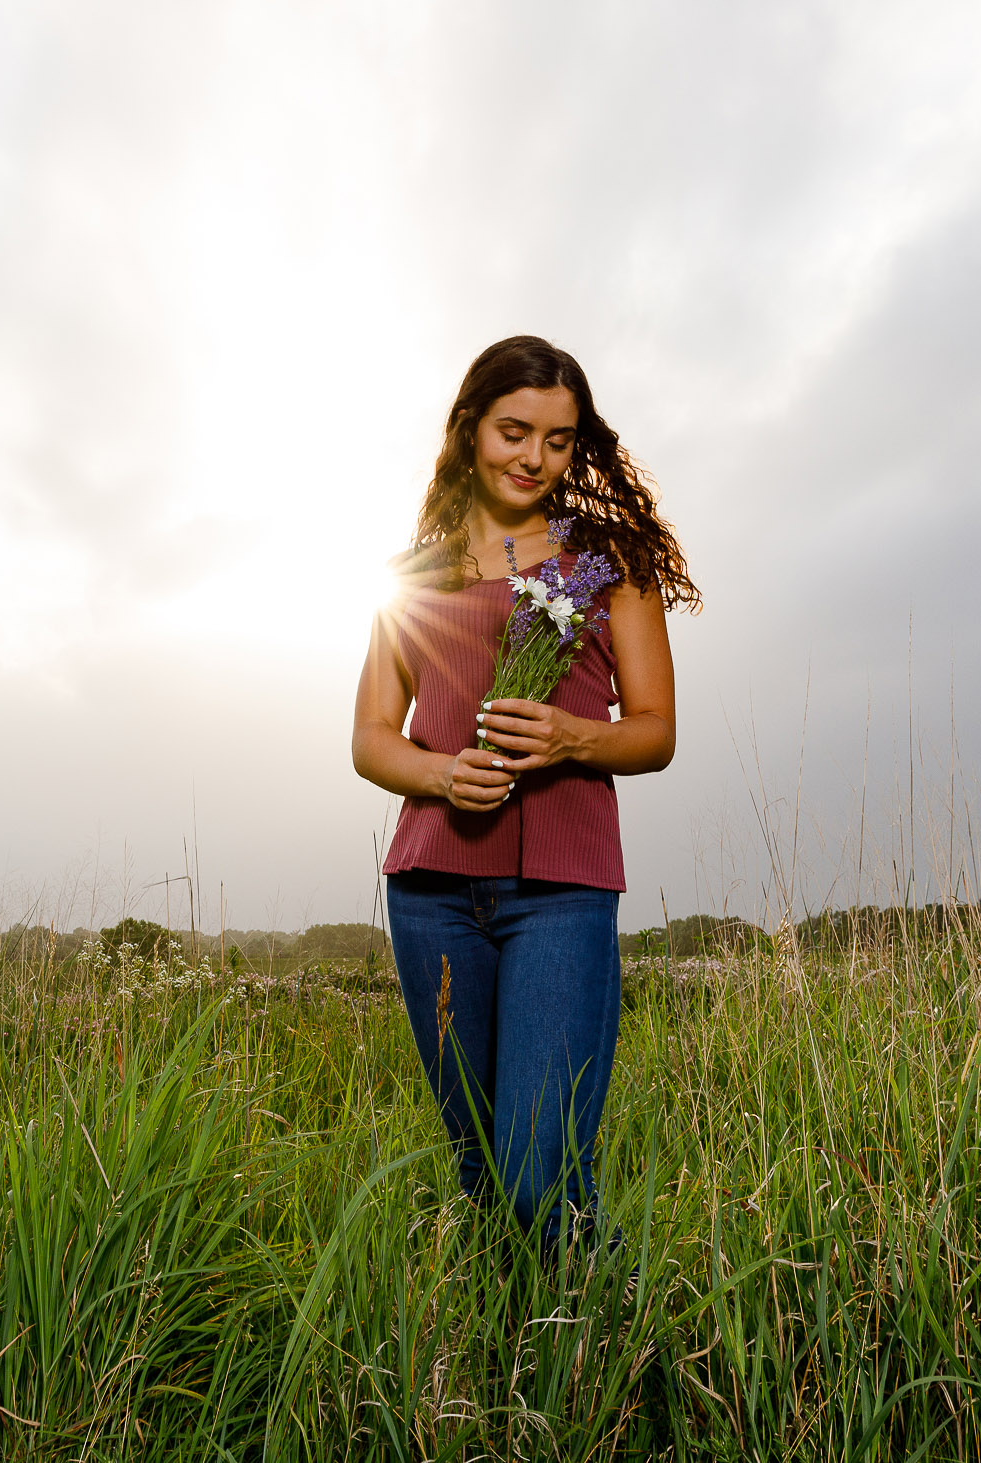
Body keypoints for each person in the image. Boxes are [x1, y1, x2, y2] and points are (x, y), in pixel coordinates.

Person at [352, 335, 700, 1255]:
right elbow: (371, 739)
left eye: (558, 440)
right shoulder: (413, 578)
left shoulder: (610, 564)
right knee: (480, 1172)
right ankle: (511, 1374)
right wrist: (439, 772)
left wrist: (571, 736)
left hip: (561, 886)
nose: (534, 458)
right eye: (515, 431)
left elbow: (656, 729)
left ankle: (604, 1358)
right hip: (431, 890)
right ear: (470, 429)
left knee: (540, 1171)